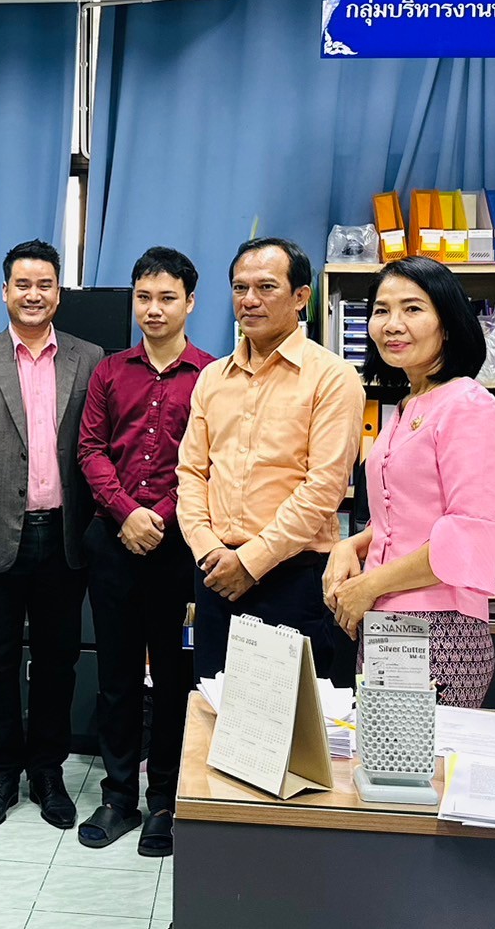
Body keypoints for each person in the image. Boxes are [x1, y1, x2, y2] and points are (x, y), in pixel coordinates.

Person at [0, 239, 104, 832]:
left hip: (63, 534)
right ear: (5, 291)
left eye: (45, 285)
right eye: (23, 285)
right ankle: (0, 773)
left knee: (59, 660)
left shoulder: (90, 358)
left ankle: (48, 772)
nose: (34, 295)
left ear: (58, 292)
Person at [323, 256, 495, 707]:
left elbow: (465, 533)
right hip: (385, 619)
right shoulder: (409, 404)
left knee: (421, 755)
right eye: (381, 310)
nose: (392, 324)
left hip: (440, 625)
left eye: (412, 308)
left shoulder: (468, 404)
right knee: (379, 752)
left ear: (446, 324)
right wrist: (351, 546)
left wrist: (369, 585)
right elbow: (403, 517)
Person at [76, 247, 215, 856]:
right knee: (117, 675)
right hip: (113, 542)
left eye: (166, 298)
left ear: (190, 301)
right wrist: (126, 512)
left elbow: (208, 462)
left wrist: (158, 514)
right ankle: (118, 797)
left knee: (175, 676)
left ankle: (165, 800)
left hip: (180, 547)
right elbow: (90, 450)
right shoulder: (109, 371)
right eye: (143, 297)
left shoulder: (211, 374)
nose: (153, 309)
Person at [176, 237, 364, 679]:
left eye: (266, 287)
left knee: (291, 716)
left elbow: (324, 489)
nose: (249, 300)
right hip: (216, 574)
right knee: (214, 708)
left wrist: (251, 562)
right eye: (240, 288)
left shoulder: (333, 378)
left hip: (292, 577)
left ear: (301, 297)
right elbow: (191, 473)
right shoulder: (212, 378)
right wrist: (208, 550)